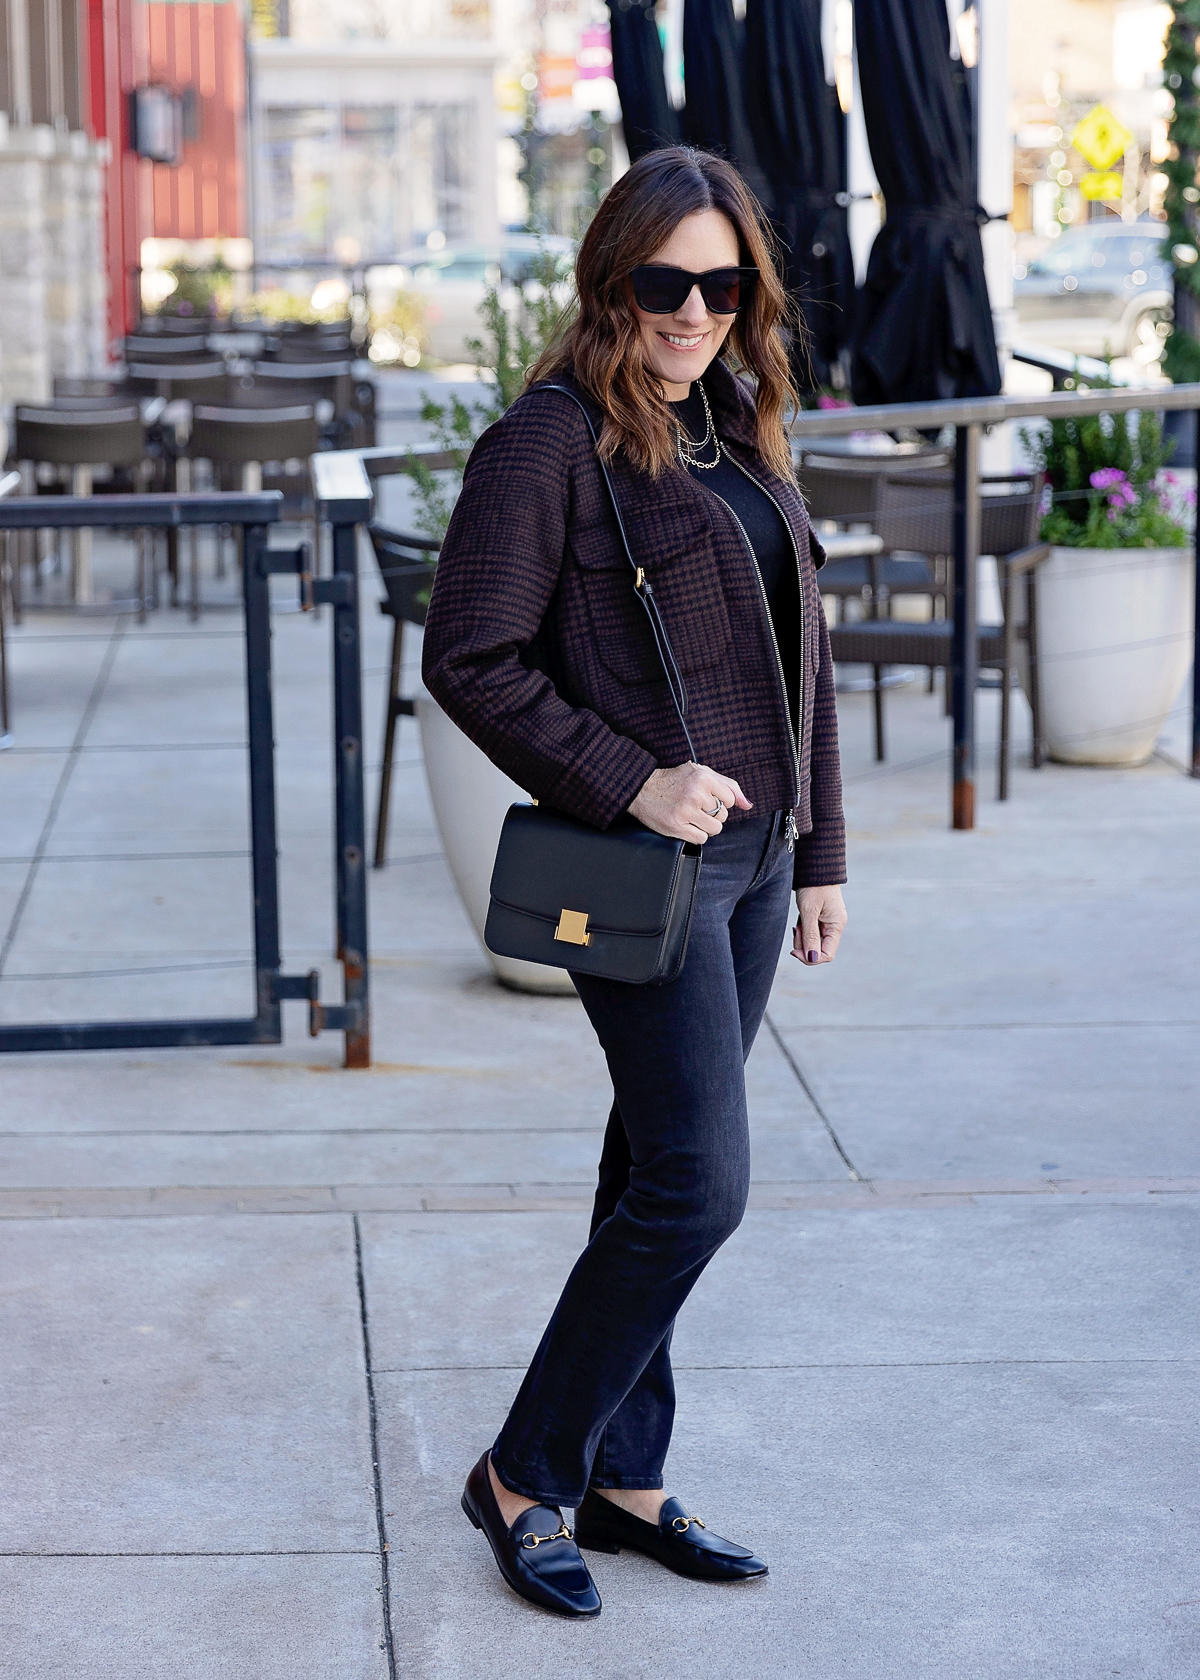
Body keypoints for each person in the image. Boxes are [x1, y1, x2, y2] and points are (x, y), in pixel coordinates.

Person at [422, 145, 847, 1618]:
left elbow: (802, 664)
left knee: (650, 1168)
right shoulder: (549, 443)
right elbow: (470, 658)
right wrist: (633, 780)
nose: (693, 312)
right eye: (665, 282)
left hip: (756, 865)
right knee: (698, 1185)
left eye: (723, 287)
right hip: (643, 867)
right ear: (613, 278)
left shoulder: (735, 425)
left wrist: (820, 855)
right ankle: (525, 1469)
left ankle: (623, 1472)